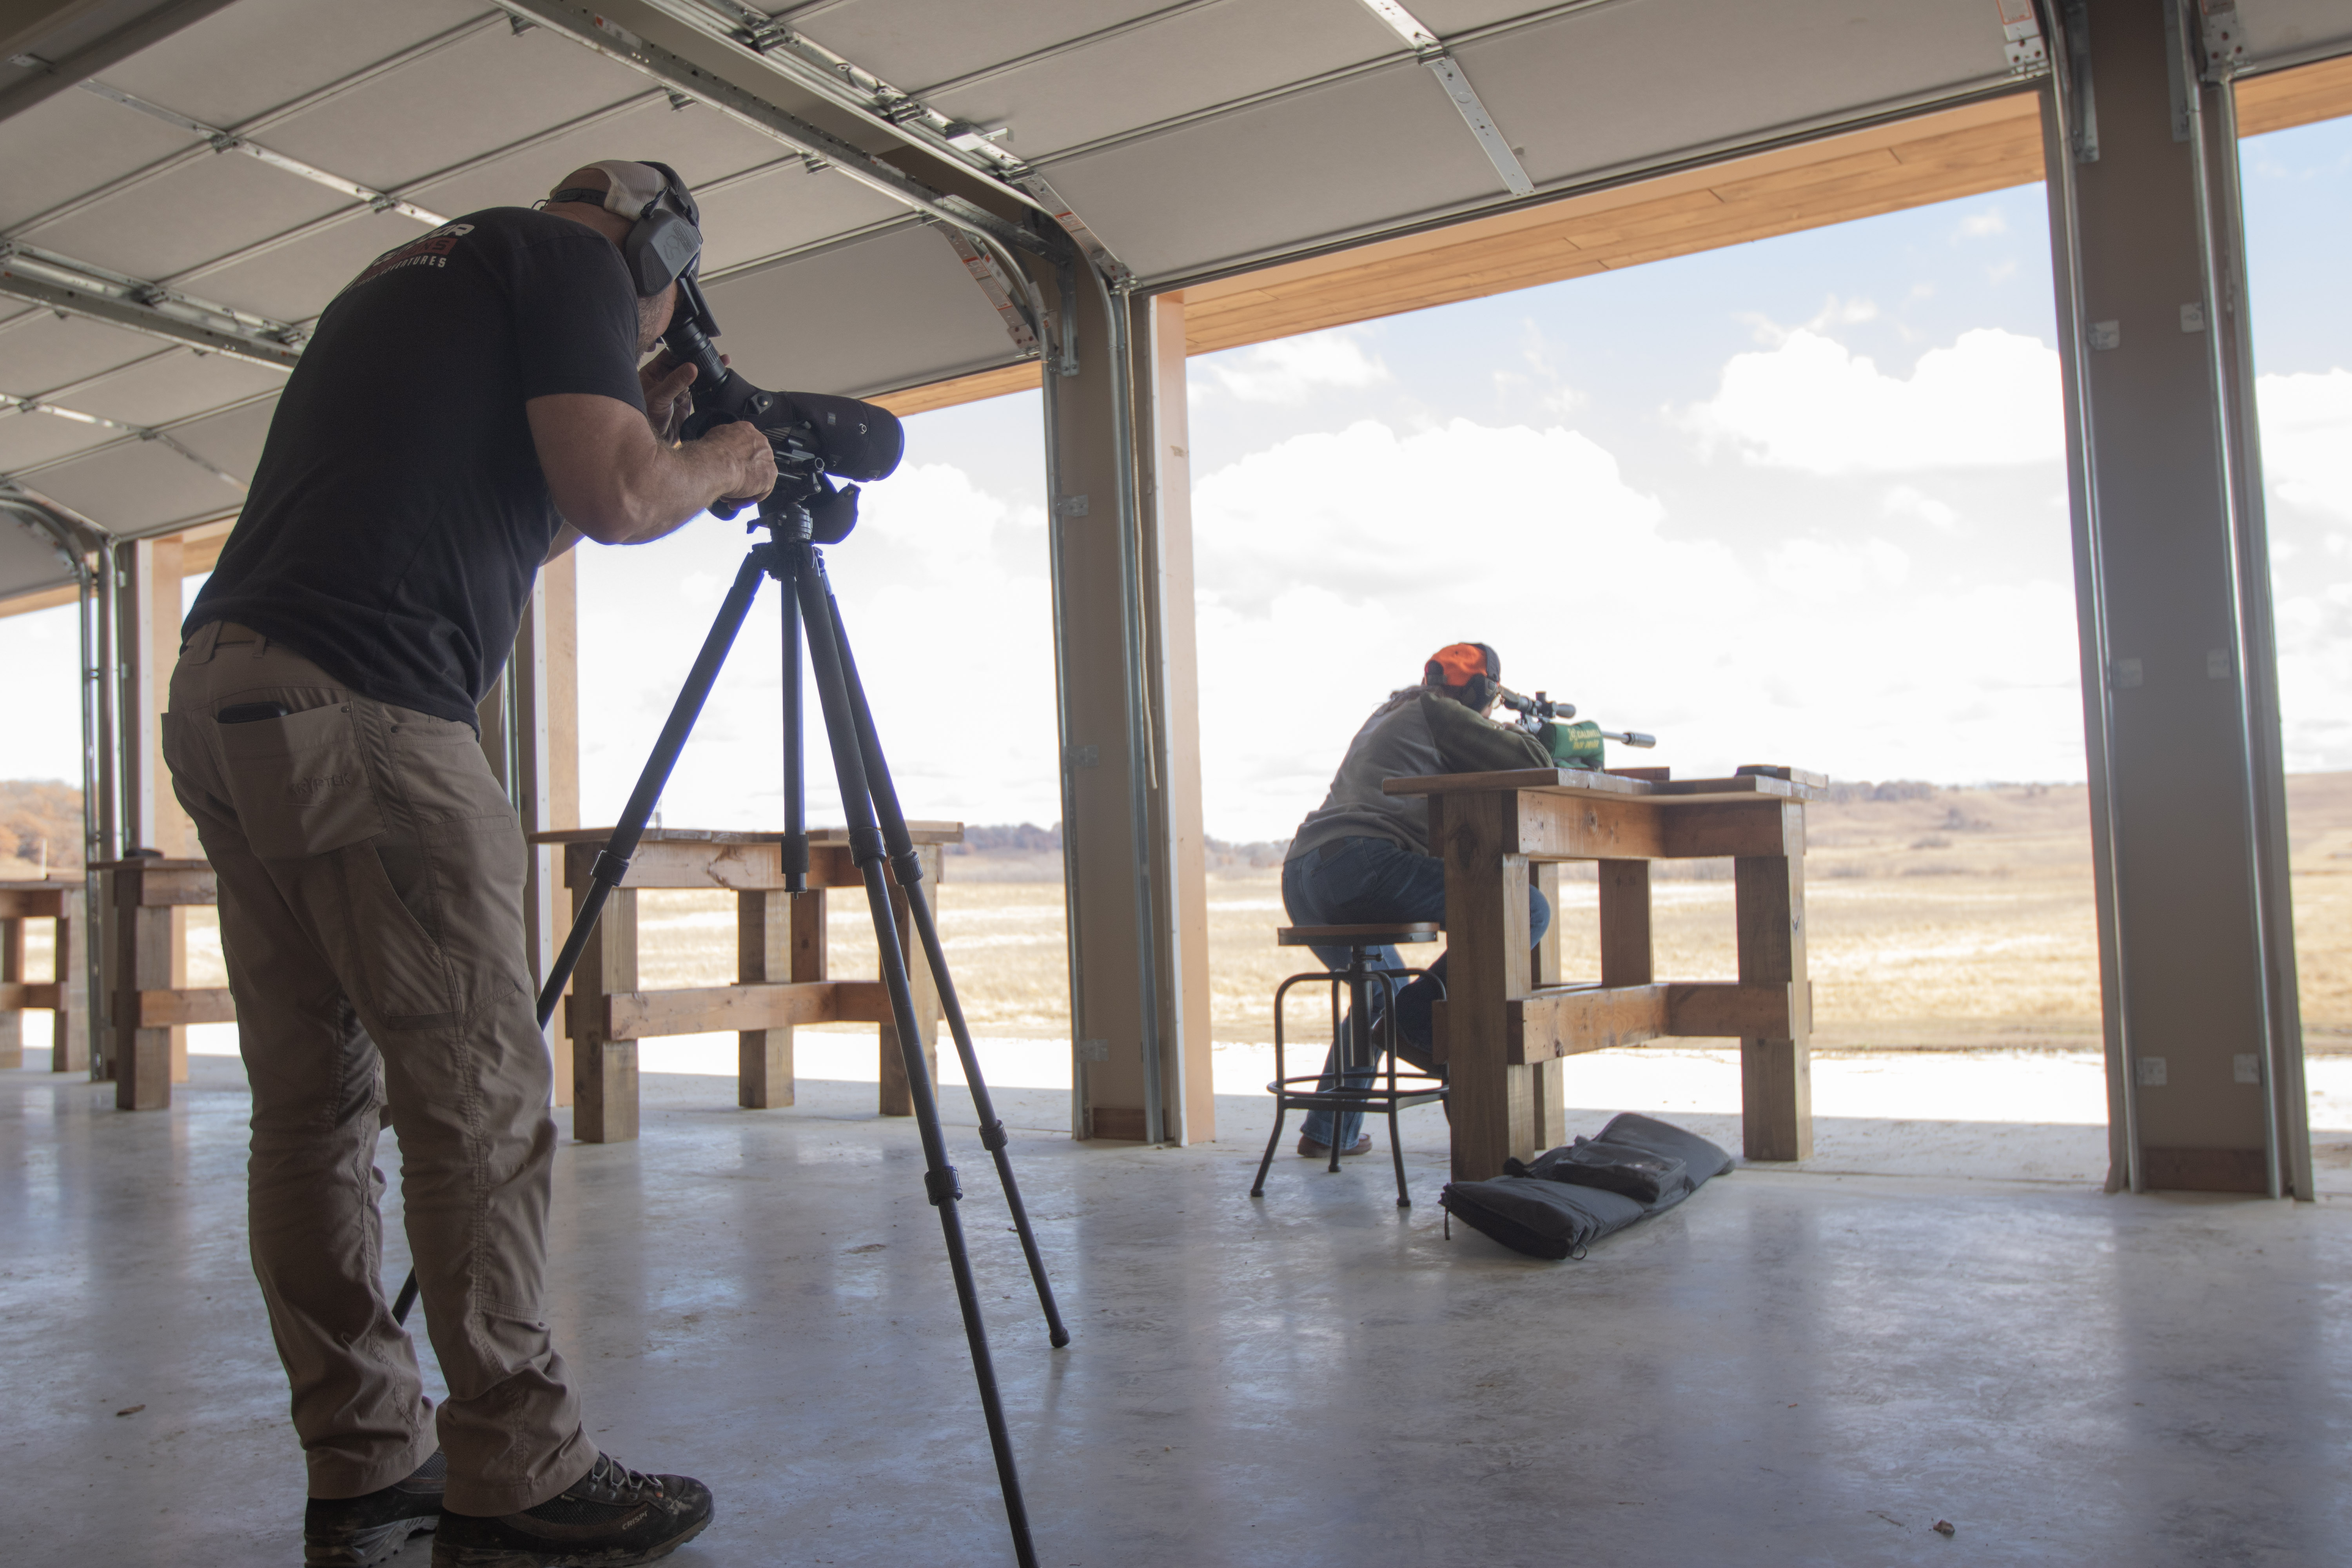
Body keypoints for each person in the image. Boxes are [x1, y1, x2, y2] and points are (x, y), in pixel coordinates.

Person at [162, 160, 775, 1568]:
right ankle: (522, 1465)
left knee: (312, 1111)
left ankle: (369, 1457)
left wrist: (652, 428)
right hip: (364, 706)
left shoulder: (420, 279)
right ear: (660, 257)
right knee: (478, 1105)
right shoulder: (571, 270)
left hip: (231, 694)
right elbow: (624, 501)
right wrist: (730, 462)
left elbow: (548, 512)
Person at [1282, 643, 1554, 1158]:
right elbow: (1532, 762)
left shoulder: (1392, 711)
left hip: (1305, 875)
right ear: (1481, 690)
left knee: (1378, 987)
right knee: (1527, 909)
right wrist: (1524, 729)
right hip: (1357, 867)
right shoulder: (1440, 711)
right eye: (1490, 698)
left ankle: (1328, 1131)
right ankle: (1417, 1023)